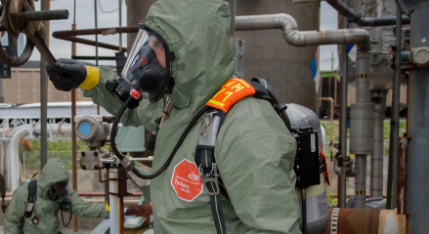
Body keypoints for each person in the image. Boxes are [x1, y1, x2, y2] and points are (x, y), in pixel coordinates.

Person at [46, 0, 301, 233]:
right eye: (149, 42)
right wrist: (90, 78)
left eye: (157, 45)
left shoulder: (247, 125)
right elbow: (135, 107)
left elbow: (274, 228)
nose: (146, 54)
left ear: (189, 50)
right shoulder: (180, 103)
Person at [3, 158, 108, 234]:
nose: (60, 190)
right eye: (57, 186)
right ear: (48, 182)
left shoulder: (61, 193)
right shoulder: (24, 194)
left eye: (62, 185)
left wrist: (112, 208)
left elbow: (85, 209)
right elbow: (10, 222)